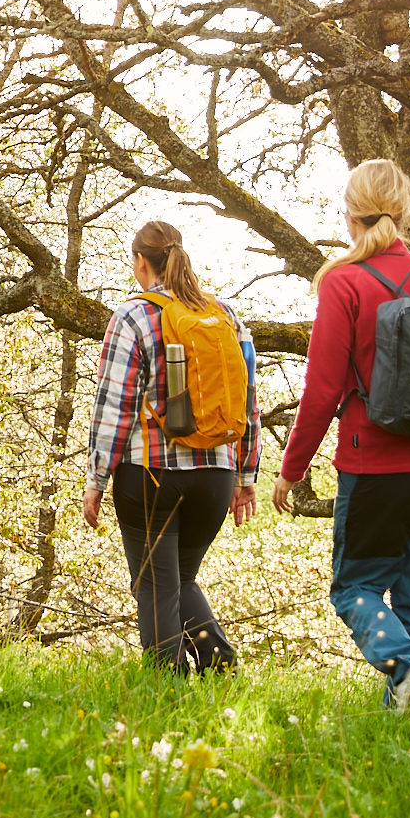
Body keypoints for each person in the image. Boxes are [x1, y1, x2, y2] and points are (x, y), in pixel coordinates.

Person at [271, 158, 410, 709]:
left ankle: (404, 668)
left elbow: (322, 389)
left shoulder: (343, 283)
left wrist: (291, 469)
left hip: (376, 468)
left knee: (354, 589)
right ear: (405, 210)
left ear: (349, 214)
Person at [81, 219, 262, 672]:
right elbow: (248, 401)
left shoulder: (134, 315)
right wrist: (246, 475)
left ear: (141, 262)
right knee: (179, 579)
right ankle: (220, 665)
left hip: (152, 475)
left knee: (156, 586)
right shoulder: (225, 317)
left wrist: (96, 479)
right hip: (217, 476)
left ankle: (168, 689)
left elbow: (115, 406)